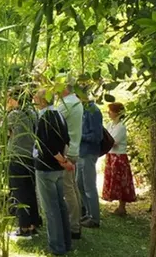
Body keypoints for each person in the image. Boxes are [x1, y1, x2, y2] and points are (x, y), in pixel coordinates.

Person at [33, 88, 74, 256]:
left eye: (35, 96)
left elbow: (49, 145)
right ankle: (66, 242)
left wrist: (62, 160)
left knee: (51, 208)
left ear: (43, 100)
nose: (33, 99)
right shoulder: (58, 114)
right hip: (56, 167)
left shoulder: (46, 118)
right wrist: (64, 160)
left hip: (47, 168)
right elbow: (66, 140)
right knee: (60, 205)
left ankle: (57, 246)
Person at [6, 89, 40, 237]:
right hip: (30, 157)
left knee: (19, 192)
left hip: (16, 156)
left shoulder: (14, 115)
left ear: (16, 99)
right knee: (30, 191)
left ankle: (24, 227)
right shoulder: (33, 113)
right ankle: (33, 224)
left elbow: (7, 132)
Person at [57, 74, 84, 239]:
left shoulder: (68, 104)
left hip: (68, 150)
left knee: (68, 188)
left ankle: (73, 226)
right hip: (73, 148)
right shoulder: (75, 102)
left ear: (65, 88)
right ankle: (76, 223)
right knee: (72, 187)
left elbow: (50, 119)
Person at [102, 102, 136, 216]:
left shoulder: (121, 126)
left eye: (111, 111)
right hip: (111, 155)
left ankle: (122, 207)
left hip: (119, 156)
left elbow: (113, 141)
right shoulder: (109, 124)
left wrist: (106, 141)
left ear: (117, 113)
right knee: (113, 180)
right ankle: (119, 207)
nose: (108, 113)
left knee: (121, 181)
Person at [78, 88, 104, 228]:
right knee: (79, 184)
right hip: (81, 152)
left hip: (89, 152)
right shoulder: (83, 109)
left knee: (89, 186)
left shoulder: (93, 111)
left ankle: (94, 218)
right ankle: (88, 213)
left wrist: (79, 137)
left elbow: (97, 136)